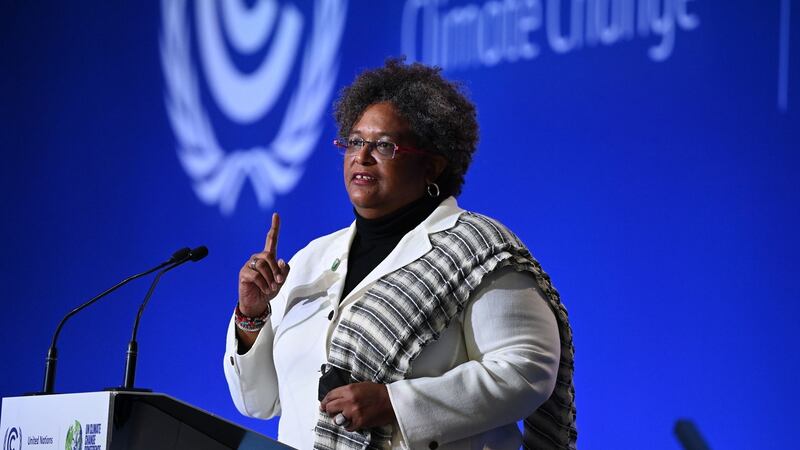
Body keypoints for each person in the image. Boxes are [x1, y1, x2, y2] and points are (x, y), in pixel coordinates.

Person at [224, 58, 577, 450]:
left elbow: (526, 370)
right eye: (354, 142)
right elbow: (259, 403)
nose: (362, 157)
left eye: (384, 146)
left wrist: (397, 403)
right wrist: (252, 317)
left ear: (432, 166)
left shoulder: (478, 249)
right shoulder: (312, 258)